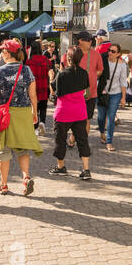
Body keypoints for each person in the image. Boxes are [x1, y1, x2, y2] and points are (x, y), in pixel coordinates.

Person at [0, 39, 41, 195]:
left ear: (7, 53)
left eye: (2, 51)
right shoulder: (27, 70)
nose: (1, 54)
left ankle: (4, 184)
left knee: (3, 150)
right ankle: (26, 178)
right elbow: (33, 94)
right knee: (22, 149)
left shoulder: (0, 71)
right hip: (23, 113)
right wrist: (34, 112)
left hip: (4, 114)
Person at [49, 47, 92, 180]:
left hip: (64, 112)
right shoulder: (84, 73)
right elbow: (87, 92)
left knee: (60, 140)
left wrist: (51, 77)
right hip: (79, 112)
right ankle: (86, 169)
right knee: (82, 140)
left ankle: (61, 167)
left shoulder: (62, 74)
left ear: (68, 58)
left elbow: (55, 92)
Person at [98, 42, 129, 151]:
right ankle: (102, 132)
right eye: (109, 50)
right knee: (101, 117)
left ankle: (109, 141)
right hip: (102, 92)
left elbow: (123, 82)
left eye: (113, 51)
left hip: (115, 94)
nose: (110, 53)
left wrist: (123, 97)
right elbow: (97, 76)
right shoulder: (102, 61)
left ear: (118, 54)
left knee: (111, 117)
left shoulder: (122, 64)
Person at [26, 42, 52, 135]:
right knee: (43, 107)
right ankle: (42, 122)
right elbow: (50, 67)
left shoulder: (29, 62)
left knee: (34, 108)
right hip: (44, 87)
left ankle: (35, 128)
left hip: (33, 89)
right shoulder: (45, 60)